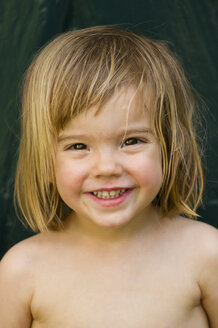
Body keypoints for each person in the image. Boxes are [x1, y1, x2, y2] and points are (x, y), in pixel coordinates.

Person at [0, 25, 217, 328]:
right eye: (78, 146)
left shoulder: (206, 254)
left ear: (169, 146)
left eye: (131, 141)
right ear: (46, 160)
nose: (106, 167)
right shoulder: (21, 271)